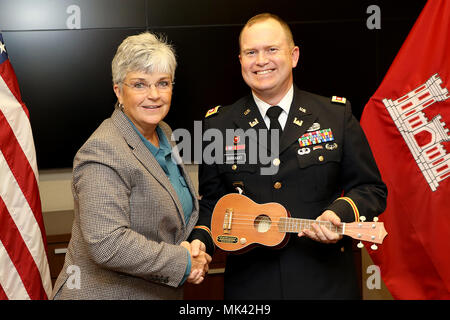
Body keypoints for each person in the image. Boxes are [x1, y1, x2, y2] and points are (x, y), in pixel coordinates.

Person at [191, 13, 387, 299]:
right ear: (241, 61)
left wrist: (339, 213)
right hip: (251, 288)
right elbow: (212, 203)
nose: (261, 61)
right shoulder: (219, 124)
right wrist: (199, 242)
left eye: (272, 49)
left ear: (293, 56)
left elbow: (371, 189)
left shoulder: (334, 115)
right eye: (251, 52)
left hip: (325, 284)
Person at [51, 32, 211, 300]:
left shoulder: (164, 131)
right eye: (139, 84)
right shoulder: (103, 150)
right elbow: (107, 243)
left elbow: (177, 209)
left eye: (163, 83)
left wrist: (195, 243)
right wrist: (183, 262)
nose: (154, 95)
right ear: (118, 90)